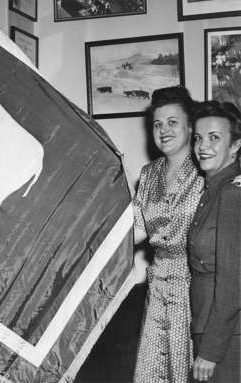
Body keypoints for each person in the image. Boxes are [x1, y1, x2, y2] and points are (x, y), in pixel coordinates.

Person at [133, 86, 204, 383]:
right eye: (158, 124)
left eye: (172, 122)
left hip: (196, 290)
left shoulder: (208, 169)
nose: (163, 130)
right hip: (157, 289)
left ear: (190, 127)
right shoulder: (149, 174)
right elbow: (135, 230)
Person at [188, 100, 241, 383]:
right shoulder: (211, 189)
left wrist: (210, 350)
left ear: (235, 145)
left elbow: (233, 283)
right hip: (209, 327)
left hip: (227, 337)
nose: (202, 146)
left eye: (214, 138)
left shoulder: (232, 194)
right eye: (198, 137)